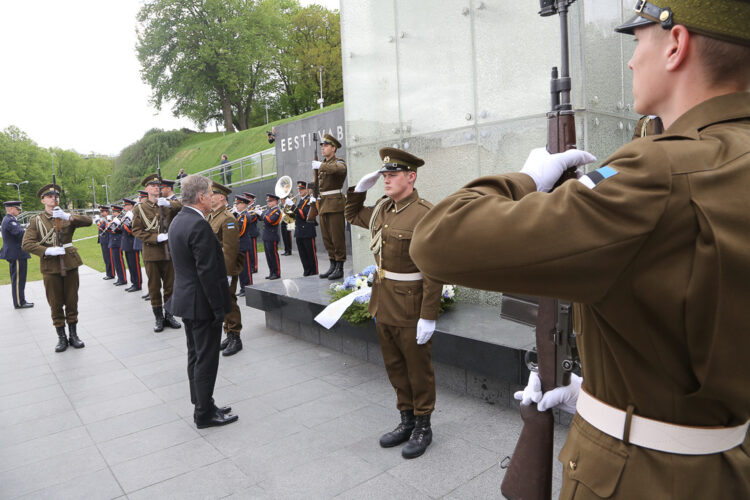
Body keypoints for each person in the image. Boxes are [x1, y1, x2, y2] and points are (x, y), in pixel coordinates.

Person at [410, 1, 750, 497]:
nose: (632, 61)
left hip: (638, 475)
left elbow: (438, 238)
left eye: (638, 42)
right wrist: (602, 390)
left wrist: (525, 177)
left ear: (676, 44)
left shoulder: (659, 172)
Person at [345, 147, 443, 459]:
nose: (385, 180)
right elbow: (351, 214)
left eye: (392, 175)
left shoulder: (425, 214)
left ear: (411, 177)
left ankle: (424, 425)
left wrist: (429, 315)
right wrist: (359, 190)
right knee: (395, 366)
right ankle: (406, 419)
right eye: (384, 175)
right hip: (383, 302)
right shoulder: (382, 209)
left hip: (411, 306)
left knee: (418, 369)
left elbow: (434, 269)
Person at [164, 174, 237, 429]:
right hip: (202, 304)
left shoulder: (178, 221)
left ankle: (203, 403)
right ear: (201, 197)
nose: (212, 197)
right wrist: (219, 309)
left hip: (187, 302)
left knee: (195, 356)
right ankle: (204, 414)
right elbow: (207, 272)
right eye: (209, 193)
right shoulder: (198, 225)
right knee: (206, 359)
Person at [22, 184, 92, 352]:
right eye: (50, 196)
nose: (55, 198)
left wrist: (68, 216)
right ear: (43, 200)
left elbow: (89, 222)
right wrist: (47, 250)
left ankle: (73, 335)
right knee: (55, 303)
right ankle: (61, 337)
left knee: (71, 301)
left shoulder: (66, 217)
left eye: (57, 196)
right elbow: (27, 244)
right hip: (50, 266)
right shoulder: (36, 220)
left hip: (69, 263)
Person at [132, 173, 182, 333]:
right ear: (146, 189)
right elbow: (136, 230)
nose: (156, 188)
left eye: (158, 186)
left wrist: (167, 203)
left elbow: (182, 208)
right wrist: (155, 237)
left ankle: (169, 314)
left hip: (168, 251)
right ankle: (158, 317)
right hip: (151, 252)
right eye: (153, 186)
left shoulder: (167, 204)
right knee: (154, 287)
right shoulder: (139, 208)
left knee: (170, 286)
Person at [206, 182, 244, 357]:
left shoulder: (227, 218)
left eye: (212, 194)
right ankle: (228, 332)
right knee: (222, 301)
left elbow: (230, 250)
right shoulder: (212, 217)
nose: (209, 197)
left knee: (229, 300)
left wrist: (228, 274)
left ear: (221, 197)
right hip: (214, 266)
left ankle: (235, 336)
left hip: (225, 267)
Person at [313, 134, 347, 280]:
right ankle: (332, 264)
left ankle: (340, 267)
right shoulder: (322, 164)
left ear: (333, 148)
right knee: (327, 237)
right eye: (322, 145)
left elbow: (338, 170)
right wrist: (313, 194)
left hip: (335, 204)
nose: (323, 148)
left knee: (337, 236)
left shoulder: (339, 162)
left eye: (326, 145)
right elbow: (318, 183)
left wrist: (321, 166)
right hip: (323, 204)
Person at [1, 200, 33, 309]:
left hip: (17, 253)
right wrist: (31, 228)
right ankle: (20, 302)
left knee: (19, 279)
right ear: (10, 209)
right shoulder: (9, 221)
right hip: (17, 254)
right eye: (17, 208)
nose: (19, 210)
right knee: (18, 279)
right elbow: (20, 234)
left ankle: (21, 300)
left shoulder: (11, 220)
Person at [293, 181, 319, 276]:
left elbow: (304, 215)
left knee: (311, 254)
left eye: (302, 189)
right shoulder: (301, 201)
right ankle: (307, 271)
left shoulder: (310, 200)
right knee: (303, 254)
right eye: (299, 189)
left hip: (307, 231)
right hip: (299, 231)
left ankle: (314, 272)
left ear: (307, 189)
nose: (300, 191)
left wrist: (292, 207)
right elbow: (296, 215)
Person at [120, 198, 143, 292]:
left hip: (132, 242)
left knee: (135, 265)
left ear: (131, 206)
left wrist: (126, 224)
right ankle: (133, 282)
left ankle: (137, 284)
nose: (124, 207)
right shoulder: (126, 215)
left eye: (126, 205)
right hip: (126, 243)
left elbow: (134, 229)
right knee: (130, 265)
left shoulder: (133, 215)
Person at [233, 194, 254, 296]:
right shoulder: (239, 216)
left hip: (244, 245)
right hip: (239, 245)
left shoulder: (245, 216)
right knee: (241, 269)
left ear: (243, 204)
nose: (236, 205)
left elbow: (240, 231)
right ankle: (242, 288)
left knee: (246, 268)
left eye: (238, 203)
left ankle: (248, 288)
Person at [257, 193, 282, 280]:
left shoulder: (277, 211)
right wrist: (257, 213)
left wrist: (261, 214)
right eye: (268, 201)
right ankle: (271, 272)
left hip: (272, 235)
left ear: (275, 201)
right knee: (268, 256)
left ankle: (277, 273)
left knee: (273, 255)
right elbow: (261, 218)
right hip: (266, 236)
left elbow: (270, 221)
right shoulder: (268, 210)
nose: (269, 202)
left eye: (271, 201)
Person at [107, 204, 127, 286]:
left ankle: (123, 279)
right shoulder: (114, 219)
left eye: (114, 211)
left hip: (117, 241)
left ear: (118, 212)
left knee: (119, 261)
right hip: (113, 241)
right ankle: (120, 278)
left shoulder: (121, 218)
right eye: (113, 211)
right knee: (116, 261)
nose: (113, 213)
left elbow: (121, 230)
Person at [137, 190, 150, 301]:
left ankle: (152, 291)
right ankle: (151, 290)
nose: (140, 200)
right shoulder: (140, 209)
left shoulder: (148, 210)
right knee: (148, 269)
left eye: (142, 198)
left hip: (151, 242)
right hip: (143, 242)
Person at [242, 192, 260, 274]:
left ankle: (254, 267)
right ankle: (250, 266)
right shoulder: (246, 209)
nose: (247, 199)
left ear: (252, 199)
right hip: (247, 233)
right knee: (249, 251)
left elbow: (251, 218)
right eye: (246, 198)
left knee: (253, 252)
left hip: (252, 232)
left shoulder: (254, 208)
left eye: (248, 198)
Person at [97, 205, 114, 280]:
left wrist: (99, 224)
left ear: (107, 212)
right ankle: (108, 273)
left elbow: (106, 227)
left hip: (107, 240)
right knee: (106, 258)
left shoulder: (109, 219)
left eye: (103, 211)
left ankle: (111, 274)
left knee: (109, 258)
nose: (101, 213)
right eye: (100, 212)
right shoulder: (103, 219)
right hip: (103, 240)